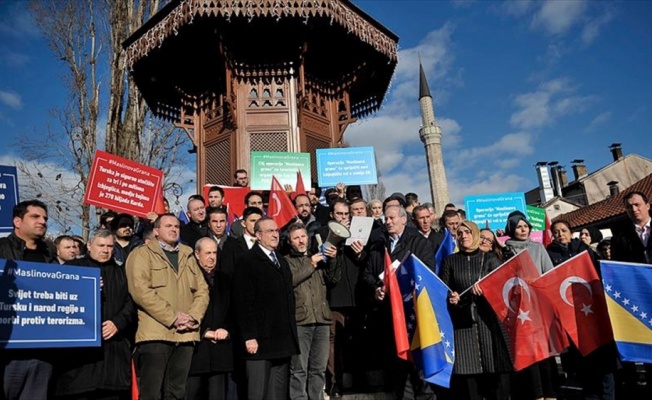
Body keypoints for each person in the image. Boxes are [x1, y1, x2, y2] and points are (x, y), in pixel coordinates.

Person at [126, 213, 210, 400]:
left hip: (186, 334)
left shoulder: (188, 254)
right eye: (168, 226)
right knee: (151, 392)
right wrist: (172, 317)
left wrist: (193, 317)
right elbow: (140, 291)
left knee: (177, 392)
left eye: (177, 226)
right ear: (156, 231)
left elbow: (202, 291)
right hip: (155, 334)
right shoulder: (141, 254)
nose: (174, 229)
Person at [363, 205, 436, 400]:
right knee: (399, 372)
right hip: (389, 316)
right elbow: (367, 275)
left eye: (392, 218)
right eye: (386, 219)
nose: (388, 222)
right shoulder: (378, 246)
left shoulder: (418, 243)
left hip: (414, 316)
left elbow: (427, 271)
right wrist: (376, 289)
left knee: (420, 372)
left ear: (404, 219)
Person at [54, 229, 136, 400]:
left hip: (113, 354)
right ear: (89, 245)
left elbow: (131, 303)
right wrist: (83, 289)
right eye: (101, 245)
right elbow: (58, 300)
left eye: (109, 246)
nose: (105, 250)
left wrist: (117, 322)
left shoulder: (122, 272)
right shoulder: (72, 268)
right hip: (79, 362)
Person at [546, 220, 617, 400]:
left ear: (571, 232)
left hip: (594, 309)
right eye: (556, 232)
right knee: (584, 361)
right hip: (571, 313)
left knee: (604, 358)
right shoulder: (549, 254)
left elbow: (598, 274)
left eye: (563, 230)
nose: (560, 234)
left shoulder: (584, 250)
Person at [440, 220, 512, 400]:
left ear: (476, 235)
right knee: (469, 379)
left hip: (490, 323)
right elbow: (443, 291)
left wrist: (486, 289)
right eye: (460, 233)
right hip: (464, 325)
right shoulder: (450, 261)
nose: (463, 236)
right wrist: (453, 298)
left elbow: (502, 287)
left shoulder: (489, 259)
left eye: (467, 232)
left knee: (495, 375)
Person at [231, 218, 300, 400]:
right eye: (269, 231)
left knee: (277, 394)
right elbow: (243, 302)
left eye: (276, 230)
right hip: (259, 342)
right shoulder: (247, 261)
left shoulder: (281, 261)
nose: (275, 234)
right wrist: (249, 336)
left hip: (281, 341)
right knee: (257, 393)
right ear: (258, 235)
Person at [0, 200, 56, 400]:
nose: (42, 221)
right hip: (7, 352)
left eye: (45, 218)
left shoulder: (50, 254)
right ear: (17, 221)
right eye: (35, 217)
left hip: (41, 352)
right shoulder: (2, 249)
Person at [502, 210, 556, 400]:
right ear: (512, 229)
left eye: (525, 226)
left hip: (540, 306)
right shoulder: (506, 250)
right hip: (521, 309)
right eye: (519, 226)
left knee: (546, 352)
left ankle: (550, 393)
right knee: (530, 353)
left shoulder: (538, 248)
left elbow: (549, 273)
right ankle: (536, 394)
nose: (523, 230)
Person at [285, 223, 340, 400]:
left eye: (303, 236)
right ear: (289, 241)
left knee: (318, 369)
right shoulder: (287, 260)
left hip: (322, 320)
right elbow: (291, 281)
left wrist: (332, 259)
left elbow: (333, 279)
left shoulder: (319, 257)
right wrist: (311, 264)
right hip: (301, 321)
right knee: (298, 370)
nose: (301, 241)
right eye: (296, 238)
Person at [321, 199, 365, 398]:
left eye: (346, 214)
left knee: (357, 341)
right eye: (339, 214)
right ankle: (335, 383)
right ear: (332, 215)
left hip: (357, 296)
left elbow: (367, 264)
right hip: (334, 297)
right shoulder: (324, 233)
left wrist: (360, 254)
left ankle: (359, 380)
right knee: (333, 342)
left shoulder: (360, 232)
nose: (343, 218)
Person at [610, 191, 652, 397]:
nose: (634, 210)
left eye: (637, 205)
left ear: (647, 205)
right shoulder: (621, 238)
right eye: (629, 207)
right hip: (641, 303)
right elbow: (619, 271)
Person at [186, 238, 233, 400]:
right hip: (195, 351)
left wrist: (226, 329)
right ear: (197, 254)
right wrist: (205, 332)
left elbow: (234, 311)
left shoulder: (225, 279)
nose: (212, 257)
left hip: (220, 351)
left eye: (214, 253)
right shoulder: (187, 278)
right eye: (208, 253)